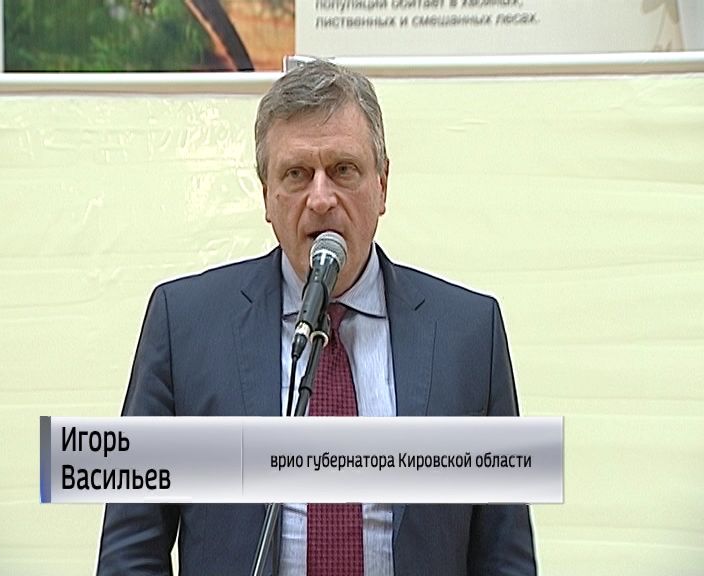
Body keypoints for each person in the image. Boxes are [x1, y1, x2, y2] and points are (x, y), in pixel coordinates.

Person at [97, 59, 536, 575]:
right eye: (296, 174)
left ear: (382, 184)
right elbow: (132, 548)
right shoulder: (185, 326)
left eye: (343, 170)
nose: (321, 198)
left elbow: (504, 555)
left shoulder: (469, 333)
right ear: (266, 195)